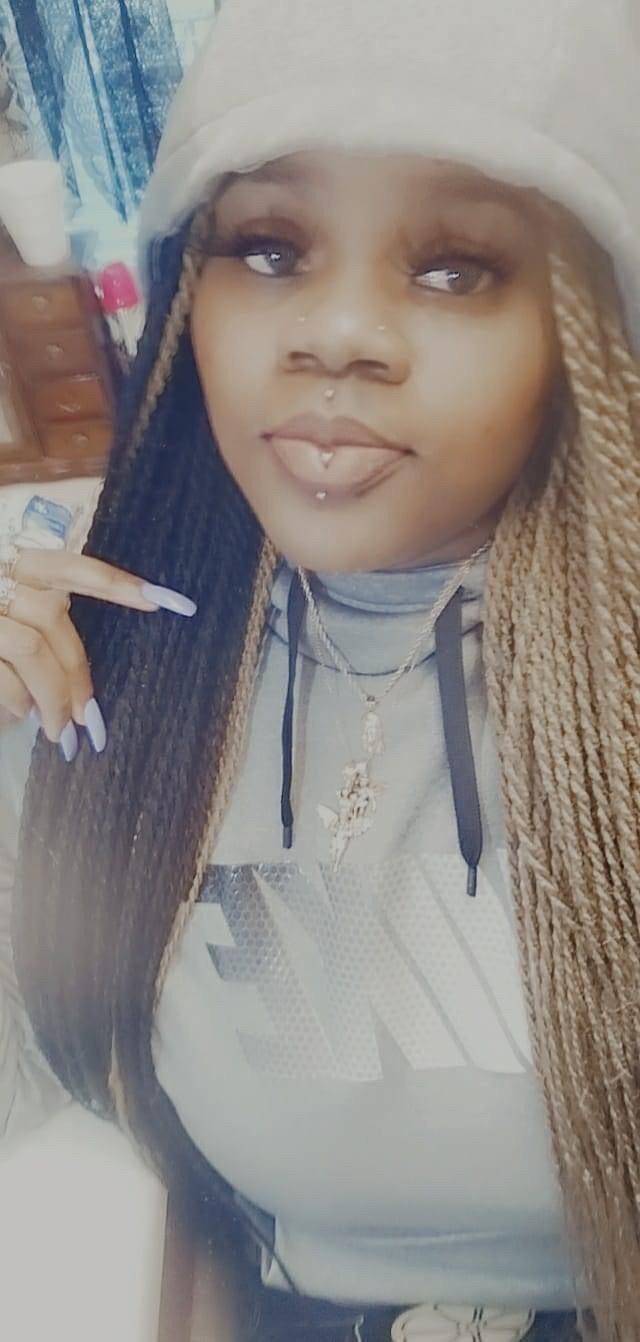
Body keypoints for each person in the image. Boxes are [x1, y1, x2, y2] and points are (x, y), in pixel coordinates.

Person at [1, 1, 639, 1338]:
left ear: (584, 328)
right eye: (270, 248)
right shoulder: (98, 674)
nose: (337, 332)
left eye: (456, 267)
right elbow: (31, 1089)